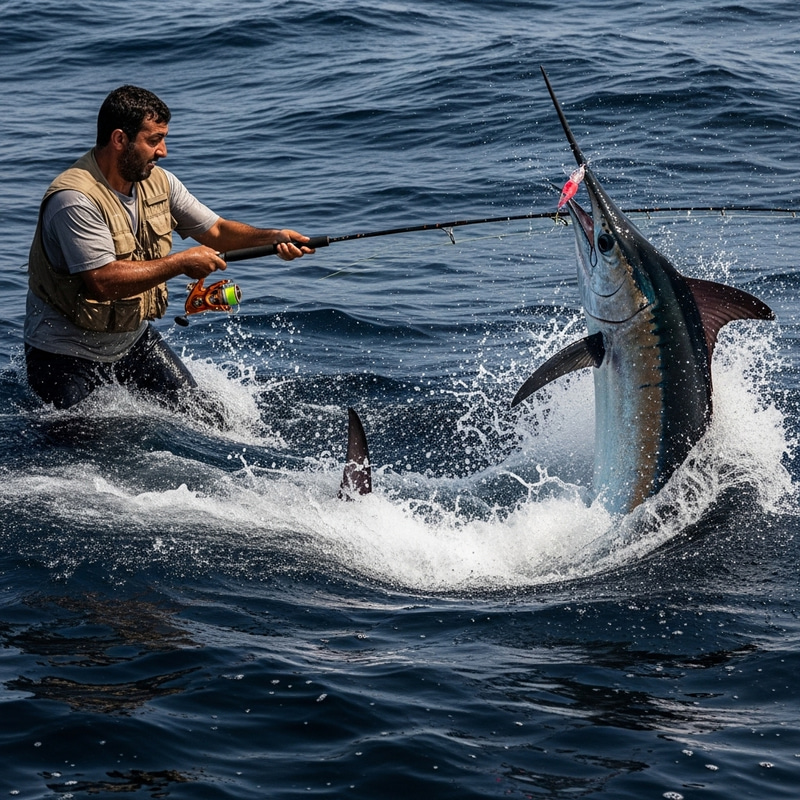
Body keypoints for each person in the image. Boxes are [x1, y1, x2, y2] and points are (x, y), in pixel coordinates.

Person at [24, 84, 314, 416]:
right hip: (62, 355)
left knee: (207, 417)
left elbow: (217, 231)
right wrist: (180, 263)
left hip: (131, 343)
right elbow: (103, 281)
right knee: (89, 444)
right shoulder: (74, 199)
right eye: (154, 140)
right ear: (120, 139)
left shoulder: (160, 182)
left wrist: (274, 237)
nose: (163, 151)